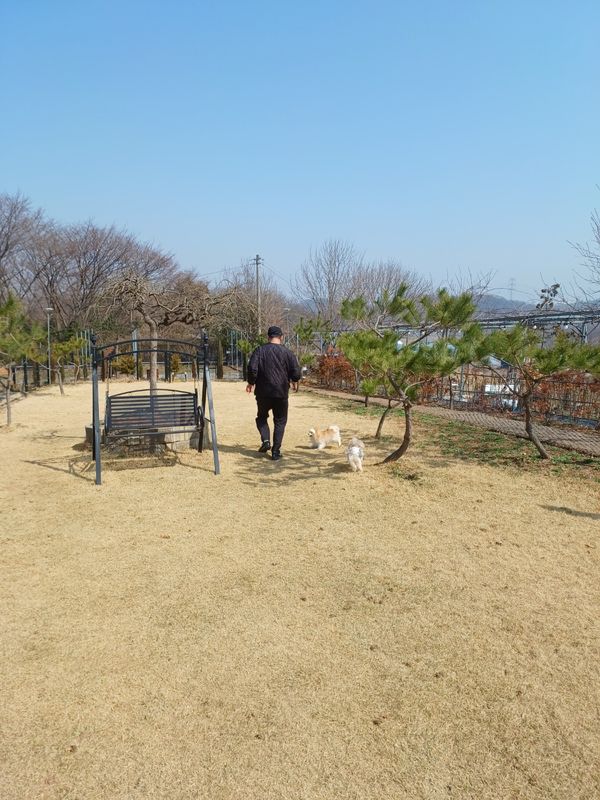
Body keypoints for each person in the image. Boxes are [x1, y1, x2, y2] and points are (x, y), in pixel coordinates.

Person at [246, 325, 301, 461]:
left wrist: (251, 382)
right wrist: (294, 380)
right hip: (281, 392)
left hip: (263, 392)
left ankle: (266, 441)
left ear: (268, 337)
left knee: (261, 417)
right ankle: (275, 451)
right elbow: (296, 371)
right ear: (281, 337)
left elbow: (252, 368)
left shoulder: (259, 350)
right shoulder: (288, 353)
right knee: (280, 421)